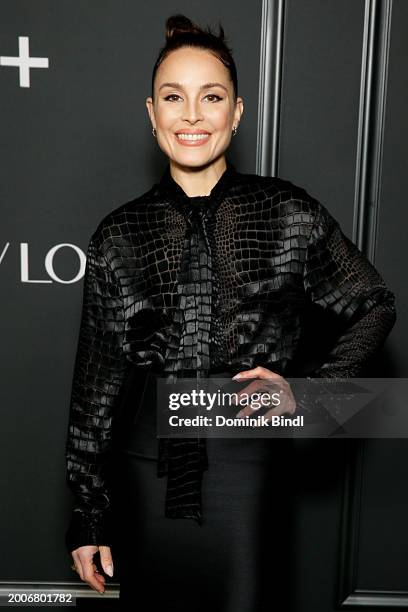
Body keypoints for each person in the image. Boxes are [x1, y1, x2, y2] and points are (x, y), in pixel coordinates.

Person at [64, 13, 397, 611]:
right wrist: (89, 514)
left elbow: (374, 304)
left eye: (210, 97)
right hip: (145, 467)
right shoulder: (118, 233)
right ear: (152, 113)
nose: (191, 114)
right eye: (174, 97)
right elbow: (97, 384)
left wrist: (309, 396)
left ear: (236, 113)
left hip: (249, 462)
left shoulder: (287, 212)